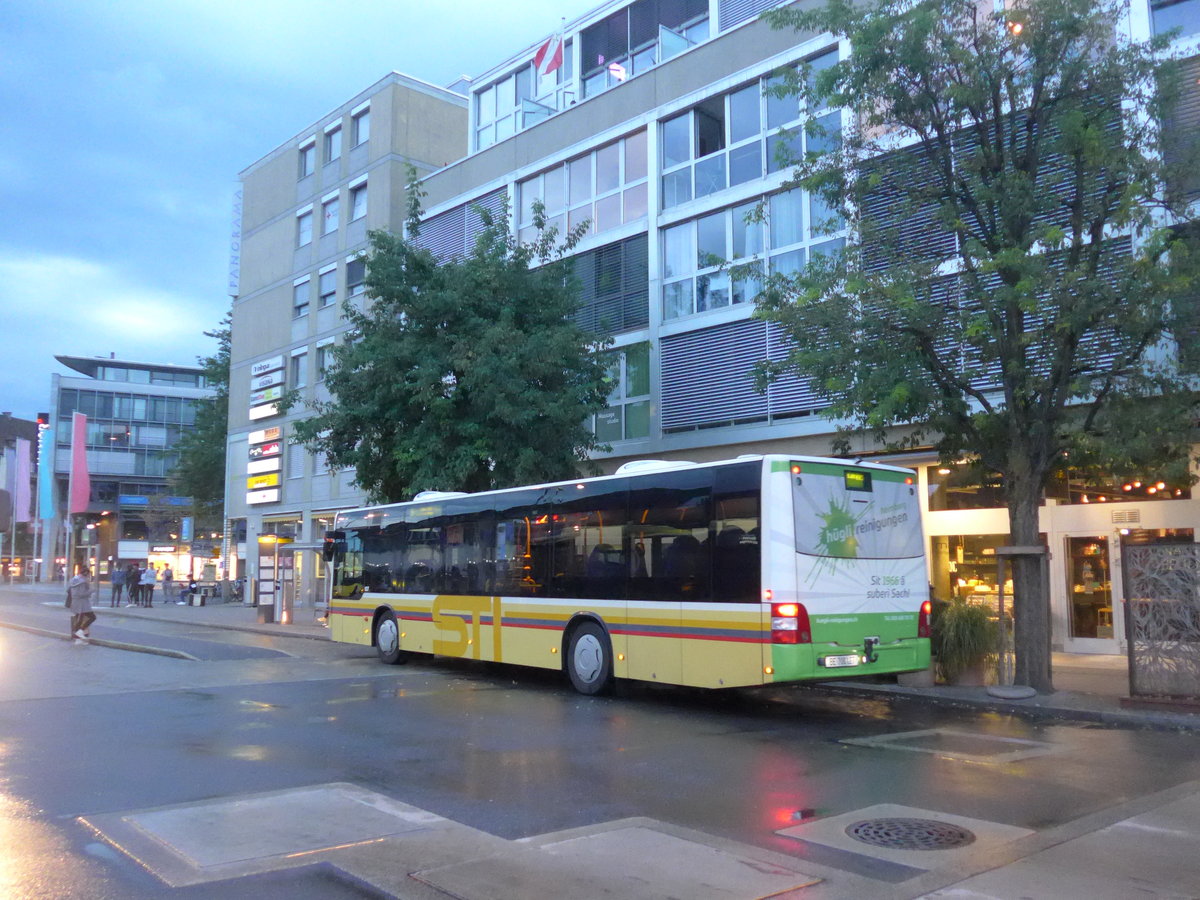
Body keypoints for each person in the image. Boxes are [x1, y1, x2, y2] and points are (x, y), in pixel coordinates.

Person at [67, 566, 96, 642]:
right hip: (82, 603)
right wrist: (91, 591)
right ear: (86, 574)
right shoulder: (82, 581)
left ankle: (77, 635)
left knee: (79, 619)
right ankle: (79, 632)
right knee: (92, 617)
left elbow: (69, 590)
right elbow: (81, 593)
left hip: (75, 602)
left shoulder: (74, 579)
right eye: (88, 575)